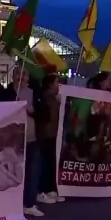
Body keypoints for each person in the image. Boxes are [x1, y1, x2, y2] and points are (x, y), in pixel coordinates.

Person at [12, 67, 44, 217]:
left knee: (32, 171)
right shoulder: (7, 93)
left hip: (31, 138)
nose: (21, 77)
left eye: (24, 74)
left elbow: (44, 113)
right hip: (13, 140)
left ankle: (29, 203)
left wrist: (32, 110)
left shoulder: (34, 93)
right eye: (18, 73)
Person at [35, 74, 64, 204]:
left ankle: (50, 189)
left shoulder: (54, 98)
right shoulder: (47, 97)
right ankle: (41, 190)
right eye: (57, 82)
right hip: (46, 134)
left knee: (51, 162)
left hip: (52, 134)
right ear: (50, 84)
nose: (59, 84)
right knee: (45, 162)